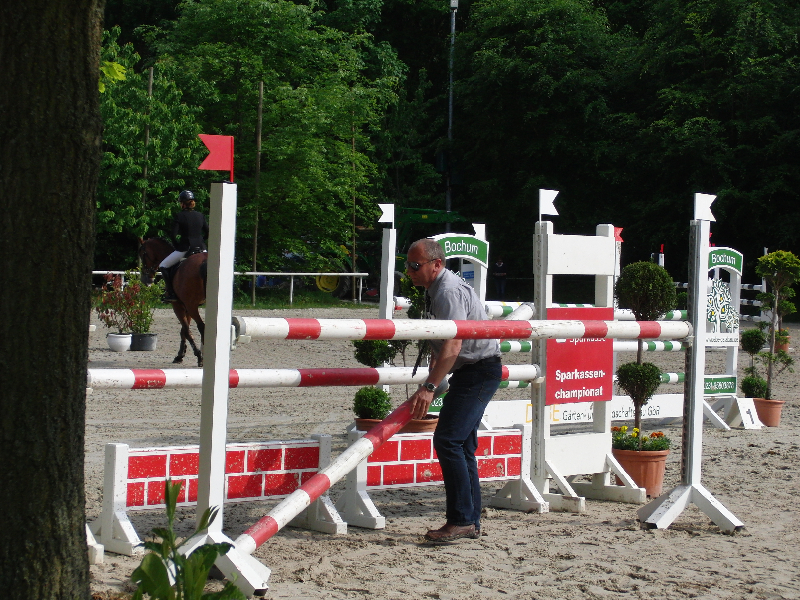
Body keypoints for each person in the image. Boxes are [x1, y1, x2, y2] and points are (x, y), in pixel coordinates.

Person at [406, 238, 502, 543]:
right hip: (475, 370)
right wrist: (434, 379)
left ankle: (461, 520)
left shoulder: (446, 291)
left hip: (477, 370)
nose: (409, 271)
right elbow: (444, 343)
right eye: (408, 265)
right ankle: (469, 521)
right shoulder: (438, 288)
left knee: (448, 441)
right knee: (461, 445)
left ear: (436, 264)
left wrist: (429, 386)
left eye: (415, 265)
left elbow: (453, 343)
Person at [159, 190, 209, 302]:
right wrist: (201, 241)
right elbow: (208, 232)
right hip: (202, 249)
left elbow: (173, 235)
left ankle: (171, 293)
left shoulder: (179, 216)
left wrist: (177, 246)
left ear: (182, 203)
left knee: (163, 265)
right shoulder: (200, 215)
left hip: (186, 248)